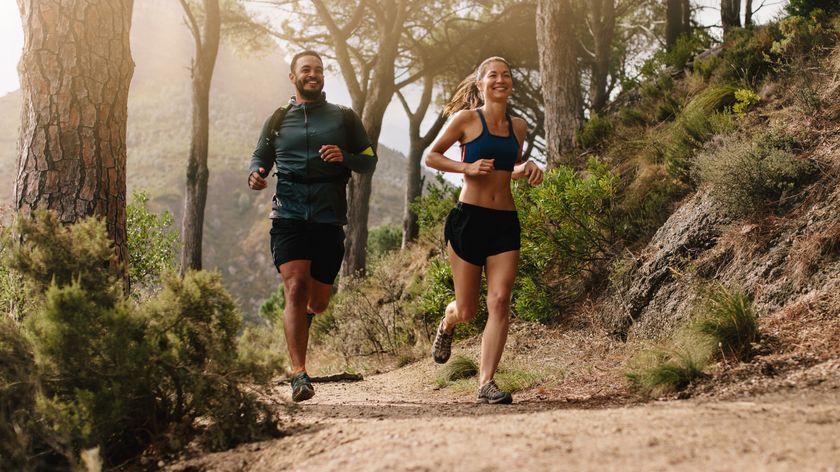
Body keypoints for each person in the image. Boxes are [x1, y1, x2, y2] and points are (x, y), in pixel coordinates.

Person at [248, 50, 377, 402]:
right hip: (288, 214)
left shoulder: (343, 117)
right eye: (306, 69)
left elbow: (369, 160)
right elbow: (260, 156)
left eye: (318, 69)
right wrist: (256, 173)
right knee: (295, 288)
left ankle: (305, 318)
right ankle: (299, 374)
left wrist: (345, 157)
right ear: (293, 77)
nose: (313, 74)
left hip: (328, 216)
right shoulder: (278, 119)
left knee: (317, 302)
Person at [424, 56, 544, 404]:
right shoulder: (465, 120)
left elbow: (507, 169)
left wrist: (527, 168)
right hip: (469, 221)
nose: (500, 80)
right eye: (493, 75)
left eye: (506, 75)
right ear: (480, 84)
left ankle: (486, 383)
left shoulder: (518, 126)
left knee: (500, 300)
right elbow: (431, 156)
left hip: (504, 222)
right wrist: (467, 167)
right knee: (467, 310)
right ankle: (448, 322)